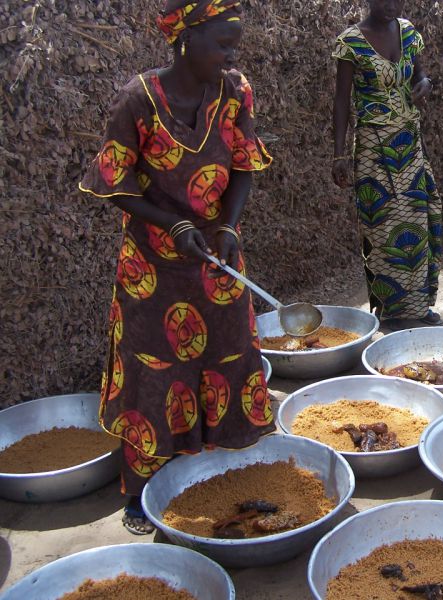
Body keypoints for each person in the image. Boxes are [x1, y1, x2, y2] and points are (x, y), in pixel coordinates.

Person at [79, 0, 275, 534]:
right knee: (155, 368)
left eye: (235, 43)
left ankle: (217, 464)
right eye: (223, 43)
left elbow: (243, 167)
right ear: (186, 38)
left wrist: (228, 227)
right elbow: (114, 184)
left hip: (214, 256)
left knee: (232, 348)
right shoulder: (138, 100)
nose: (232, 55)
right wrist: (168, 222)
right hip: (152, 268)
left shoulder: (235, 91)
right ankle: (142, 491)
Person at [331, 0, 443, 328]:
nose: (393, 5)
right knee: (381, 228)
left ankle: (419, 306)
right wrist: (340, 155)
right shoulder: (351, 42)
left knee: (420, 219)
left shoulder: (407, 31)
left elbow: (420, 74)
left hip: (409, 142)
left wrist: (425, 83)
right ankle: (391, 312)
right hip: (373, 146)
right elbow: (341, 102)